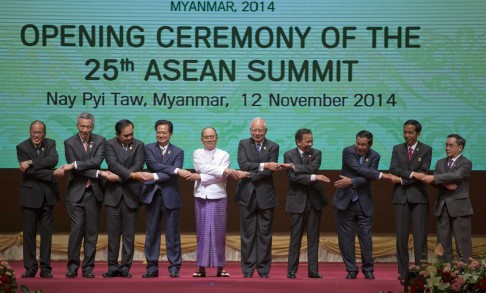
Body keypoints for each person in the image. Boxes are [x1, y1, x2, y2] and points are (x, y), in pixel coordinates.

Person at [333, 130, 398, 280]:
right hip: (345, 202)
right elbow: (359, 169)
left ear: (370, 144)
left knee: (366, 239)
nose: (359, 147)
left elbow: (369, 177)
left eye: (363, 145)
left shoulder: (375, 156)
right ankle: (351, 269)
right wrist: (382, 175)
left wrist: (352, 181)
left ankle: (368, 269)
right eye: (358, 143)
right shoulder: (348, 151)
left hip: (364, 203)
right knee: (345, 238)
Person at [54, 112, 106, 278]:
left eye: (88, 126)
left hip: (94, 192)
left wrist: (76, 164)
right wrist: (98, 173)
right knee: (77, 230)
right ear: (77, 126)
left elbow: (96, 162)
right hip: (76, 194)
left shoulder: (100, 141)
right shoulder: (69, 142)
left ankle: (88, 268)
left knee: (91, 232)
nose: (85, 130)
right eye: (82, 126)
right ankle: (72, 266)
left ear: (92, 126)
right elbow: (78, 170)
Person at [186, 127, 242, 278]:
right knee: (202, 233)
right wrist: (223, 170)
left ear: (217, 138)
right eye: (206, 137)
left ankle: (220, 268)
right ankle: (201, 268)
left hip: (218, 197)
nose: (209, 139)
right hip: (201, 196)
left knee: (219, 233)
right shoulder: (197, 153)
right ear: (202, 139)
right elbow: (200, 167)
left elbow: (221, 177)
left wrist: (200, 177)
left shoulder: (224, 154)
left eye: (212, 137)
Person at [139, 120, 192, 278]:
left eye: (164, 132)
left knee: (173, 234)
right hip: (153, 196)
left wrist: (155, 176)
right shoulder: (148, 148)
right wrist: (175, 170)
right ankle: (151, 267)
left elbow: (168, 174)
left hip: (171, 196)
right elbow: (154, 165)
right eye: (158, 132)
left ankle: (175, 266)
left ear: (170, 134)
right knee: (152, 233)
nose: (161, 135)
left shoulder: (178, 151)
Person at [234, 117, 281, 278]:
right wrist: (264, 165)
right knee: (247, 235)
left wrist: (249, 174)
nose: (257, 133)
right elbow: (242, 164)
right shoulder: (243, 144)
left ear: (265, 131)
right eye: (254, 130)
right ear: (250, 131)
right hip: (246, 195)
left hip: (265, 196)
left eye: (260, 130)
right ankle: (247, 270)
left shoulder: (274, 146)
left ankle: (263, 270)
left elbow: (271, 170)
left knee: (265, 235)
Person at [102, 119, 146, 278]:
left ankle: (125, 267)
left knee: (129, 235)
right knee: (113, 235)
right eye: (126, 135)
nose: (129, 137)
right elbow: (112, 165)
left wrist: (121, 178)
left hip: (131, 195)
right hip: (113, 196)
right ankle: (112, 267)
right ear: (117, 134)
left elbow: (138, 166)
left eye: (131, 134)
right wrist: (131, 175)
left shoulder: (139, 145)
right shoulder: (109, 144)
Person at [284, 128, 330, 279]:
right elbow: (293, 178)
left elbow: (313, 168)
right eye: (307, 141)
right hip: (297, 201)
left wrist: (294, 166)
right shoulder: (288, 154)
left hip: (314, 200)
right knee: (295, 237)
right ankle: (291, 270)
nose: (310, 143)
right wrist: (314, 177)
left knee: (313, 237)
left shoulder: (316, 153)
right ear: (298, 141)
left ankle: (313, 271)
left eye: (311, 140)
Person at [389, 120, 432, 281]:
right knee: (401, 237)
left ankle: (422, 272)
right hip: (400, 198)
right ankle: (403, 272)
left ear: (418, 133)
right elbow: (393, 169)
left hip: (419, 198)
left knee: (420, 237)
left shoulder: (426, 149)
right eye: (405, 132)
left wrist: (401, 179)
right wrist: (413, 174)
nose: (407, 135)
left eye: (411, 132)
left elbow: (424, 173)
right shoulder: (397, 148)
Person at [16, 120, 59, 278]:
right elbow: (29, 173)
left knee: (46, 234)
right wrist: (51, 173)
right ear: (29, 132)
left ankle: (46, 269)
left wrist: (31, 162)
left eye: (39, 132)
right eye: (33, 131)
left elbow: (53, 160)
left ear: (44, 133)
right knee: (29, 233)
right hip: (30, 197)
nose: (36, 135)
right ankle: (30, 268)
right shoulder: (22, 147)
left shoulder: (51, 144)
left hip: (48, 195)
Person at [421, 134, 473, 263]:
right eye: (446, 145)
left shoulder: (466, 163)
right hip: (442, 206)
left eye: (451, 145)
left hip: (460, 208)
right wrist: (444, 183)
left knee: (463, 242)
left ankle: (466, 273)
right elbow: (435, 182)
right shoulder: (440, 162)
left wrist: (435, 178)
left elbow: (457, 175)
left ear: (460, 148)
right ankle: (444, 273)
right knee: (442, 243)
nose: (447, 148)